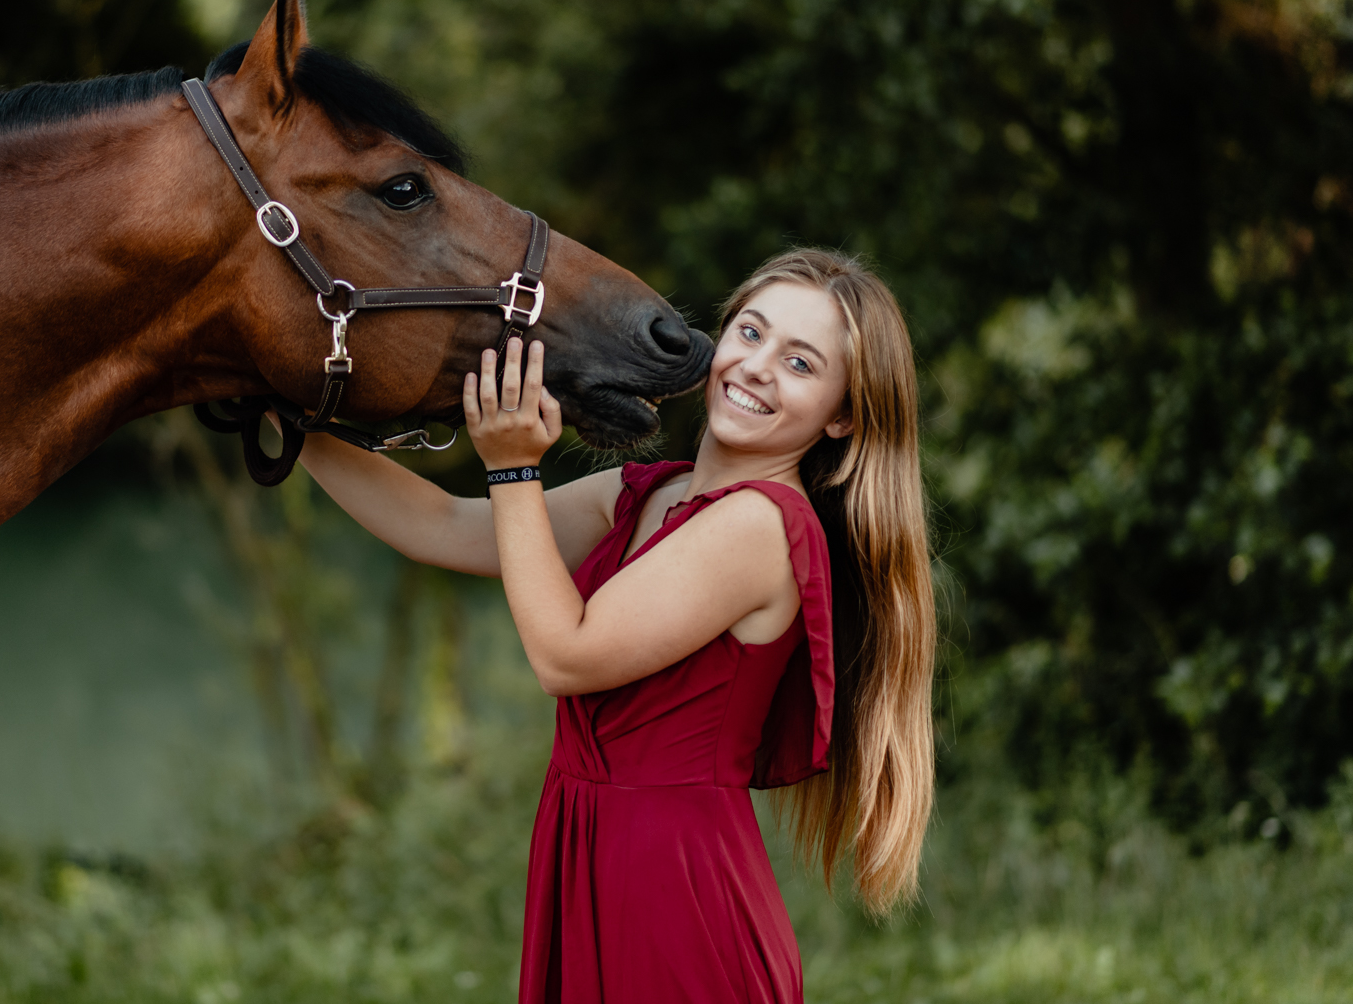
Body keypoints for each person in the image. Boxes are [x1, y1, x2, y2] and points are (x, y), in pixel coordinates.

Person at [294, 248, 937, 1004]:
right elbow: (443, 524)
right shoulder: (643, 496)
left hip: (680, 898)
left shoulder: (761, 527)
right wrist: (287, 415)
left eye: (800, 363)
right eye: (751, 333)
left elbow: (565, 656)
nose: (758, 366)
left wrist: (511, 468)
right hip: (585, 853)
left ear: (842, 415)